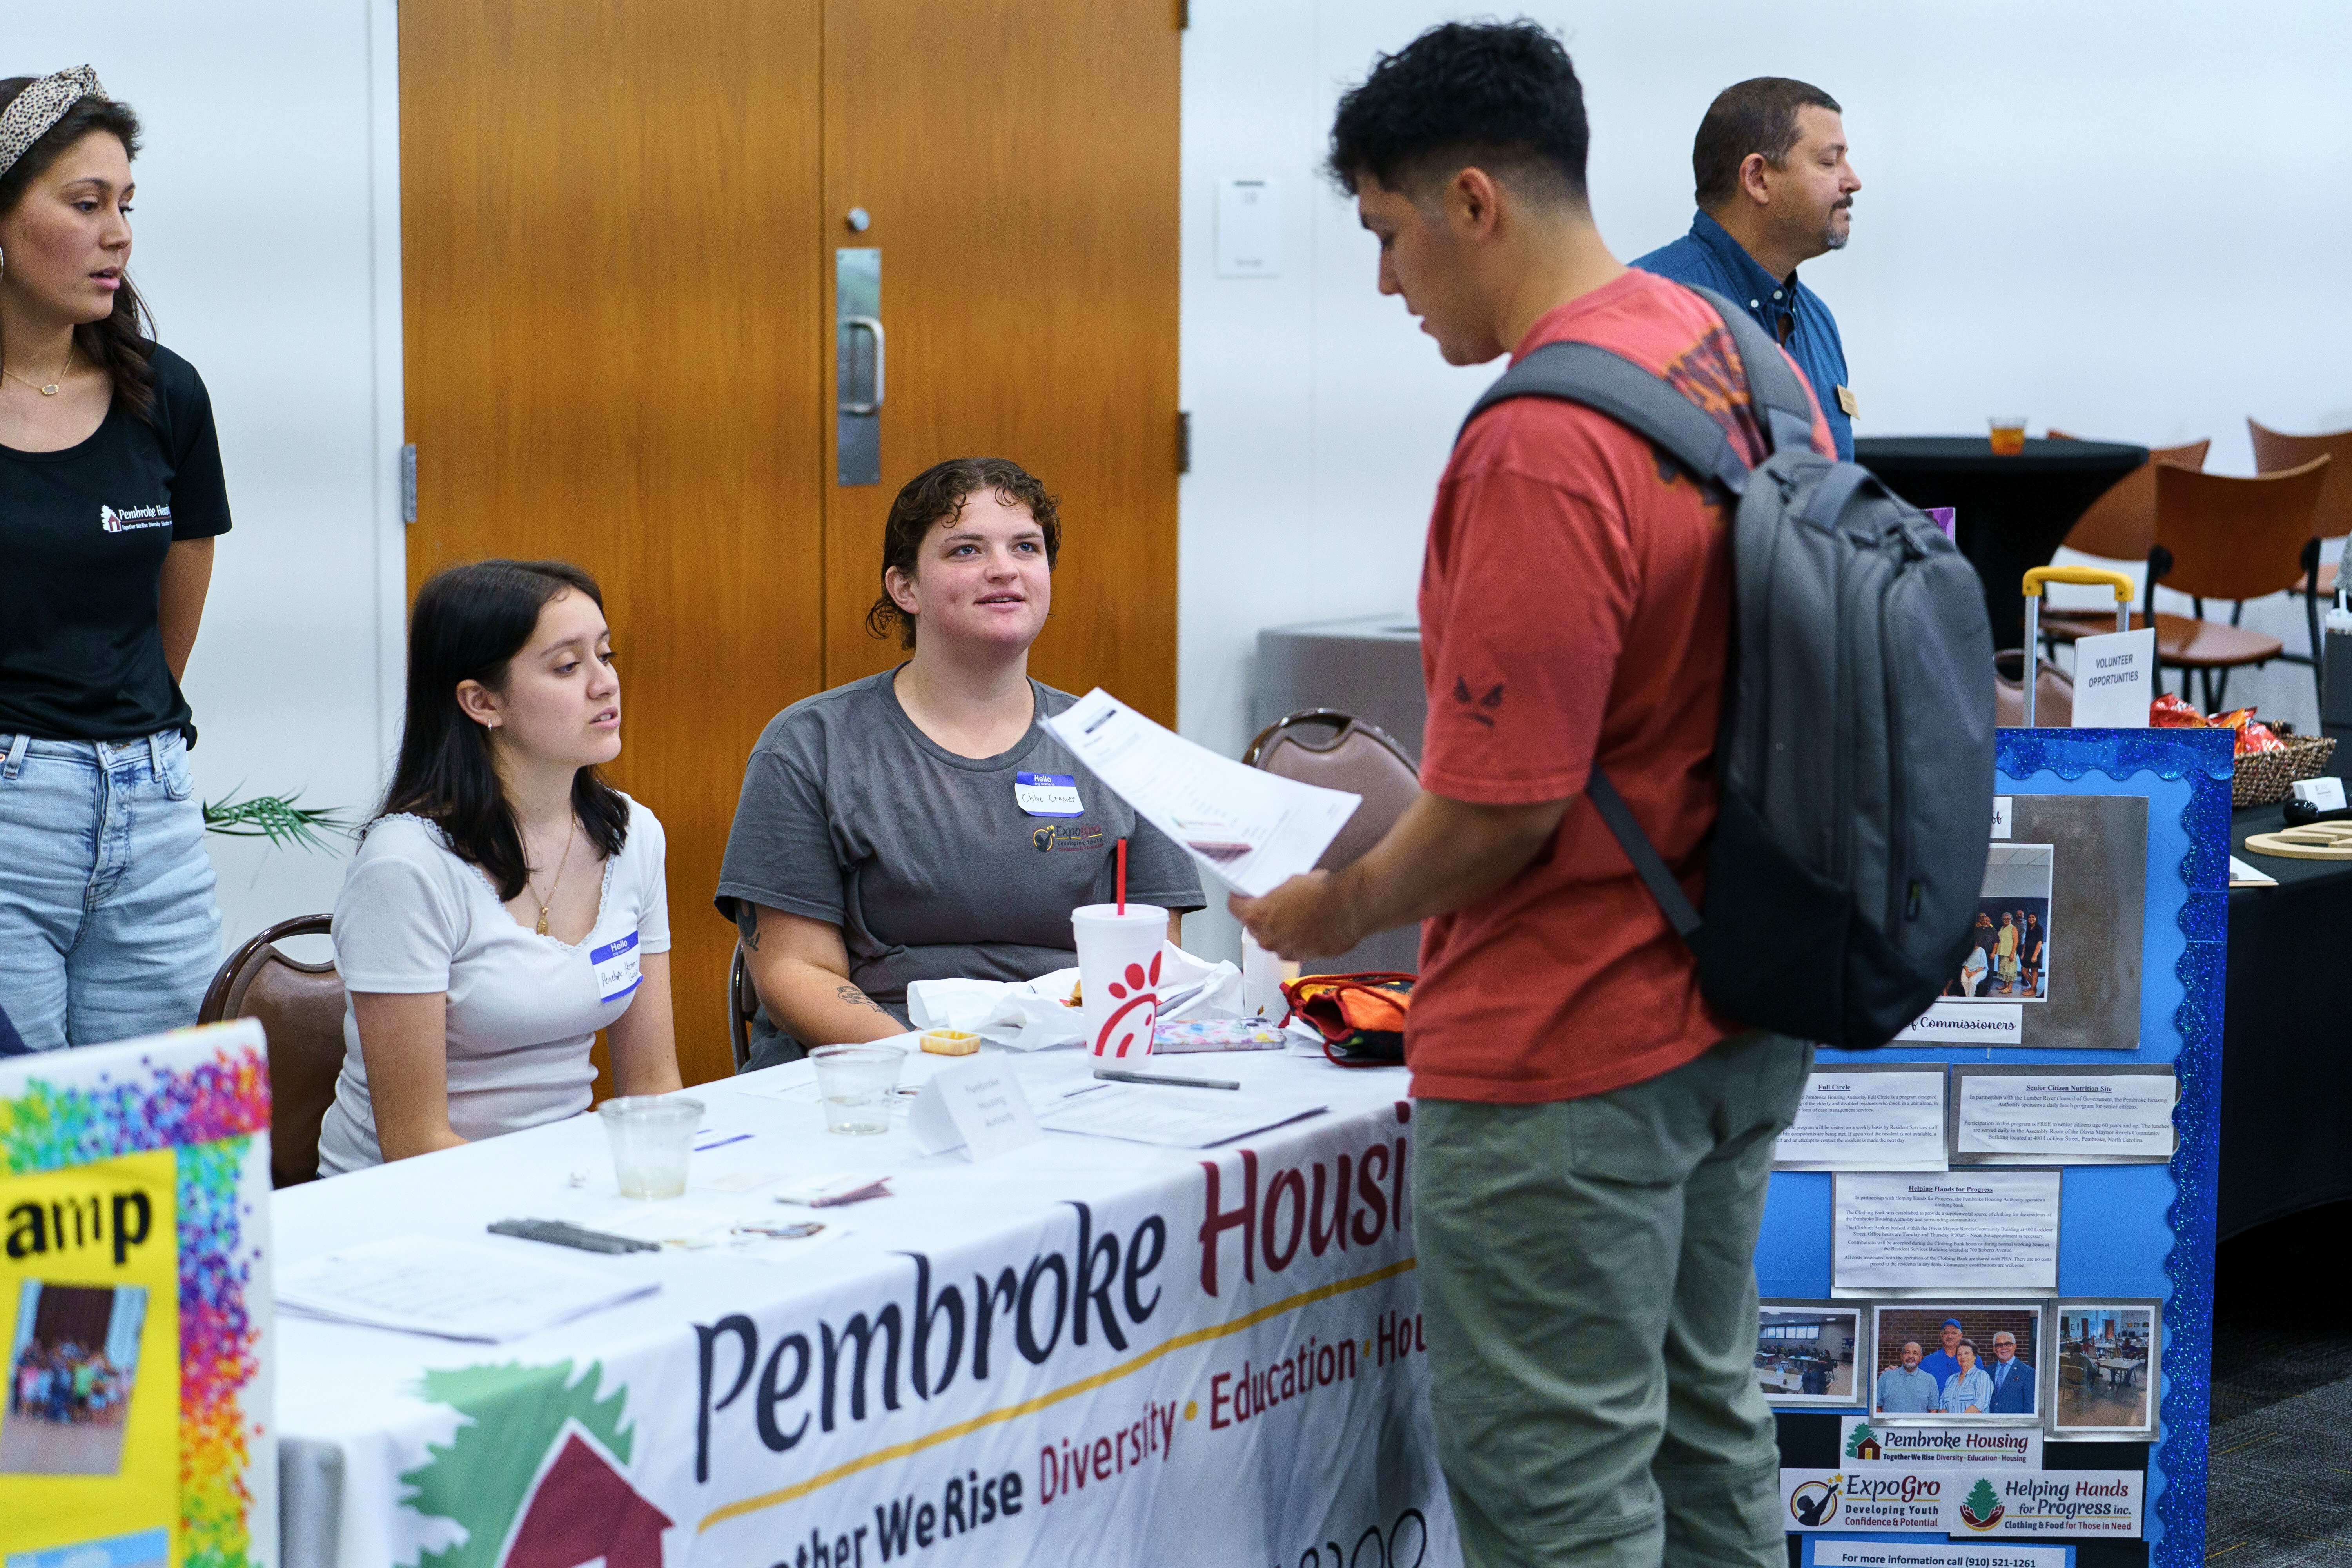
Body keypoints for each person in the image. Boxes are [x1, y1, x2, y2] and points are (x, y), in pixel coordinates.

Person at [1230, 24, 1834, 1567]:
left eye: (1386, 233)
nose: (1386, 284)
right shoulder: (1752, 362)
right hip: (1738, 993)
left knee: (1555, 1495)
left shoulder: (1543, 442)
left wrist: (1334, 908)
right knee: (1706, 1436)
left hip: (1571, 1045)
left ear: (1475, 201)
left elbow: (1505, 806)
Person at [717, 457, 1203, 1067]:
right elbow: (793, 973)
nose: (1004, 569)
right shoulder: (809, 745)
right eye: (966, 550)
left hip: (1071, 1068)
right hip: (873, 1074)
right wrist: (940, 1064)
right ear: (905, 588)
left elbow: (1148, 966)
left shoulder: (1119, 750)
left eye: (1026, 547)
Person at [0, 68, 232, 1052]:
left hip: (154, 809)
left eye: (125, 205)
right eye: (85, 203)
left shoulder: (165, 394)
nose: (118, 233)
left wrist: (121, 736)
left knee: (176, 1140)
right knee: (28, 1162)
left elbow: (169, 622)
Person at [319, 560, 682, 1173]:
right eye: (568, 666)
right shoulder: (406, 868)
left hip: (570, 1185)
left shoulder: (633, 834)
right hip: (417, 1206)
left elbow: (652, 1085)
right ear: (481, 701)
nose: (605, 684)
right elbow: (416, 1148)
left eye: (606, 654)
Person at [1632, 78, 1860, 459]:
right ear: (1758, 179)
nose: (1853, 181)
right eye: (1829, 162)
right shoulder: (1643, 309)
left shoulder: (1819, 322)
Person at [1875, 1340, 1940, 1415]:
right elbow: (1877, 1406)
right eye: (1907, 1353)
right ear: (1901, 1356)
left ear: (1920, 1358)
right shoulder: (1886, 1377)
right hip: (1891, 1426)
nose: (1911, 1356)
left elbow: (1934, 1410)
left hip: (1919, 1426)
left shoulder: (1930, 1380)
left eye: (1915, 1353)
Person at [1986, 1330, 2036, 1414]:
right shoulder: (1987, 1371)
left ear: (2015, 1347)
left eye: (2008, 1344)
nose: (2004, 1348)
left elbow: (2030, 1406)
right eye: (1999, 1345)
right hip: (1990, 1423)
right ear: (1994, 1349)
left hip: (2014, 1424)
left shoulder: (2028, 1372)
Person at [1940, 1339, 1993, 1415]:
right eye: (1959, 1354)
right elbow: (1942, 1404)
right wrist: (1948, 1423)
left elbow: (1981, 1403)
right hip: (1950, 1426)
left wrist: (1958, 1422)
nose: (1963, 1357)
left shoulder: (1982, 1376)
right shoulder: (1951, 1379)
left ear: (1975, 1357)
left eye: (1967, 1353)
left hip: (1972, 1426)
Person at [1918, 1317, 1966, 1388]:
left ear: (1960, 1336)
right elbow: (1916, 1382)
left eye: (1954, 1333)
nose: (1950, 1336)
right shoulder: (1928, 1361)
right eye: (1947, 1333)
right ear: (1941, 1335)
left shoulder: (1973, 1359)